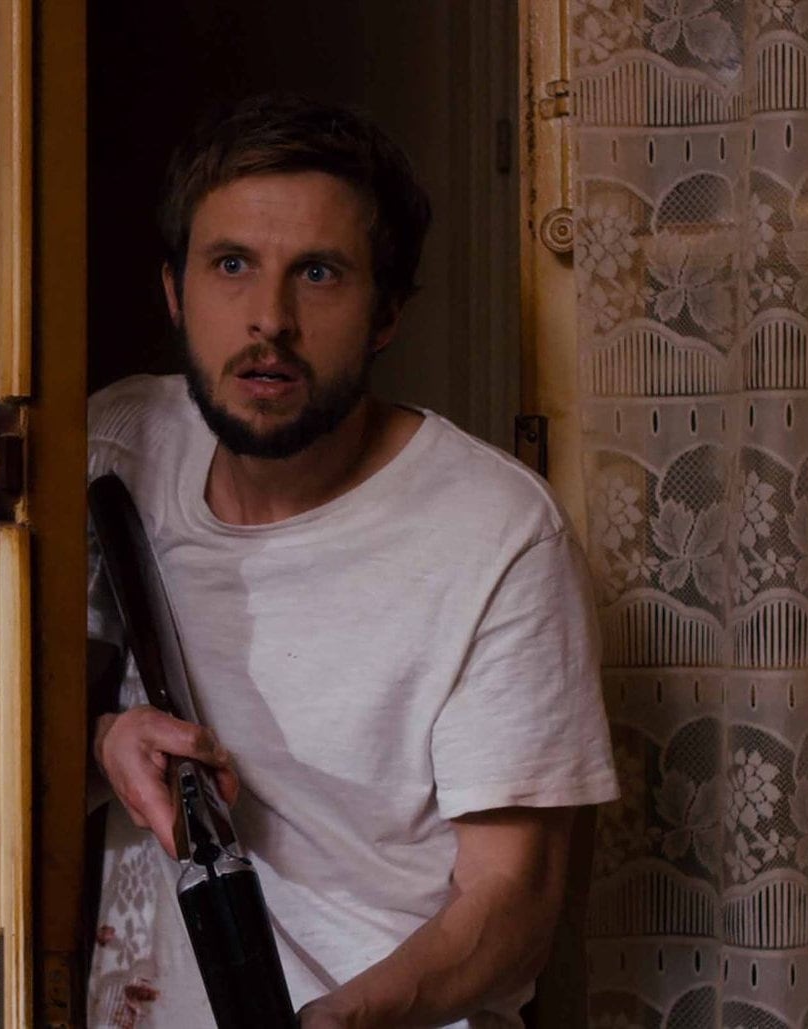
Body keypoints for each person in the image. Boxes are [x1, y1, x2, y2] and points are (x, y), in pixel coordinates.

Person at [85, 93, 617, 1029]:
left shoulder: (495, 533)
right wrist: (103, 741)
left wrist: (343, 1019)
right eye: (231, 264)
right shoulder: (116, 445)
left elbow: (514, 902)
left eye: (319, 273)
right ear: (174, 290)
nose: (269, 319)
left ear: (385, 314)